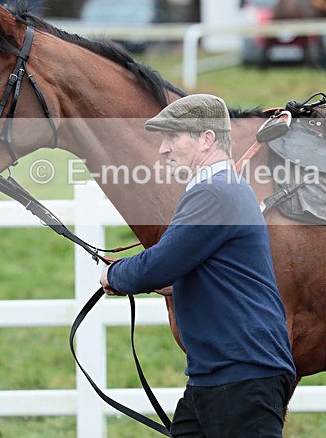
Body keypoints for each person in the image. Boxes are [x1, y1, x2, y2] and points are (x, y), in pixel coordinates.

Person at [100, 94, 296, 437]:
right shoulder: (223, 189)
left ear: (206, 139)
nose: (162, 149)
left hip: (242, 377)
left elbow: (159, 264)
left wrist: (114, 275)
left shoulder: (214, 192)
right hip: (220, 376)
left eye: (173, 137)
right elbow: (208, 265)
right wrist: (183, 282)